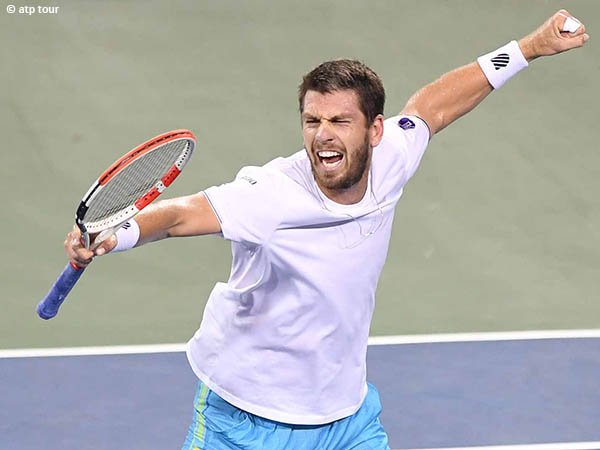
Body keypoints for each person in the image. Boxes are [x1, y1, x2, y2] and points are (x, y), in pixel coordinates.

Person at [65, 10, 588, 450]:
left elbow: (432, 107)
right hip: (247, 420)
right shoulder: (270, 195)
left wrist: (529, 47)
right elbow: (181, 215)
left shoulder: (392, 160)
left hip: (344, 419)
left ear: (374, 130)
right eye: (312, 121)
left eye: (340, 121)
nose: (322, 135)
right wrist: (115, 234)